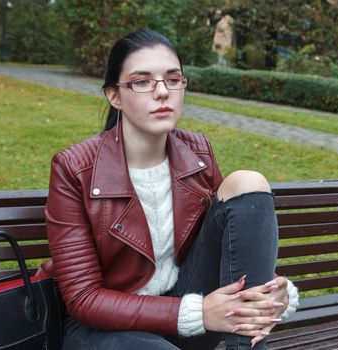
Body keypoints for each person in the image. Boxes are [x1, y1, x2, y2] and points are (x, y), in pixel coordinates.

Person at [42, 29, 299, 350]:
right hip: (103, 329)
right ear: (114, 95)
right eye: (142, 82)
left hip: (186, 313)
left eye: (173, 79)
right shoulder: (74, 168)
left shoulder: (198, 153)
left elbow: (227, 248)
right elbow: (84, 299)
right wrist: (200, 312)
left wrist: (274, 292)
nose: (162, 92)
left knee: (249, 181)